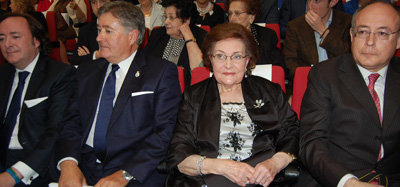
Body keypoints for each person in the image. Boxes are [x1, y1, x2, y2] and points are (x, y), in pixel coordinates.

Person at [55, 1, 182, 186]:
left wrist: (125, 174)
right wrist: (68, 163)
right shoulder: (87, 72)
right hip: (83, 165)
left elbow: (165, 132)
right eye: (99, 30)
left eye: (107, 31)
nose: (98, 38)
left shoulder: (160, 73)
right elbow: (71, 122)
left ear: (132, 36)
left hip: (132, 169)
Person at [166, 23, 299, 187]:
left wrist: (275, 163)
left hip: (260, 181)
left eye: (236, 56)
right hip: (207, 181)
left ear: (247, 60)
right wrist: (220, 166)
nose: (228, 65)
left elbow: (292, 132)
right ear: (210, 59)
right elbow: (178, 154)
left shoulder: (269, 91)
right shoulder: (194, 96)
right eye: (220, 56)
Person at [299, 1, 400, 187]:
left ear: (398, 40)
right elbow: (312, 143)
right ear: (352, 36)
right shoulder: (325, 75)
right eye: (362, 32)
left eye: (382, 33)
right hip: (339, 179)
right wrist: (348, 183)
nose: (370, 42)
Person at [0, 13, 75, 186]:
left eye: (15, 37)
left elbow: (56, 132)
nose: (7, 44)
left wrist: (14, 174)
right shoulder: (3, 75)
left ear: (36, 41)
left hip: (35, 166)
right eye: (2, 38)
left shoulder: (60, 75)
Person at [144, 0, 206, 87]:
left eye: (171, 18)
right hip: (155, 86)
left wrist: (188, 37)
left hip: (185, 93)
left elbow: (199, 71)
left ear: (186, 20)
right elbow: (144, 62)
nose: (166, 22)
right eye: (165, 17)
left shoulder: (201, 37)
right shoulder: (158, 34)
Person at [283, 0, 351, 77]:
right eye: (308, 1)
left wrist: (323, 31)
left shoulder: (347, 22)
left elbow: (348, 58)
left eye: (317, 1)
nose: (310, 6)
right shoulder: (295, 26)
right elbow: (290, 64)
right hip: (308, 81)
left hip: (339, 81)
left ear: (333, 2)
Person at [228, 0, 284, 67]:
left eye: (237, 13)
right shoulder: (221, 37)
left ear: (251, 17)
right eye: (230, 14)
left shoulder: (268, 36)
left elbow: (277, 68)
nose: (232, 18)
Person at [69, 0, 110, 65]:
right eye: (94, 3)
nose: (98, 6)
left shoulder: (123, 27)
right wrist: (96, 55)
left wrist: (88, 58)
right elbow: (75, 60)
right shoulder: (86, 31)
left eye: (103, 1)